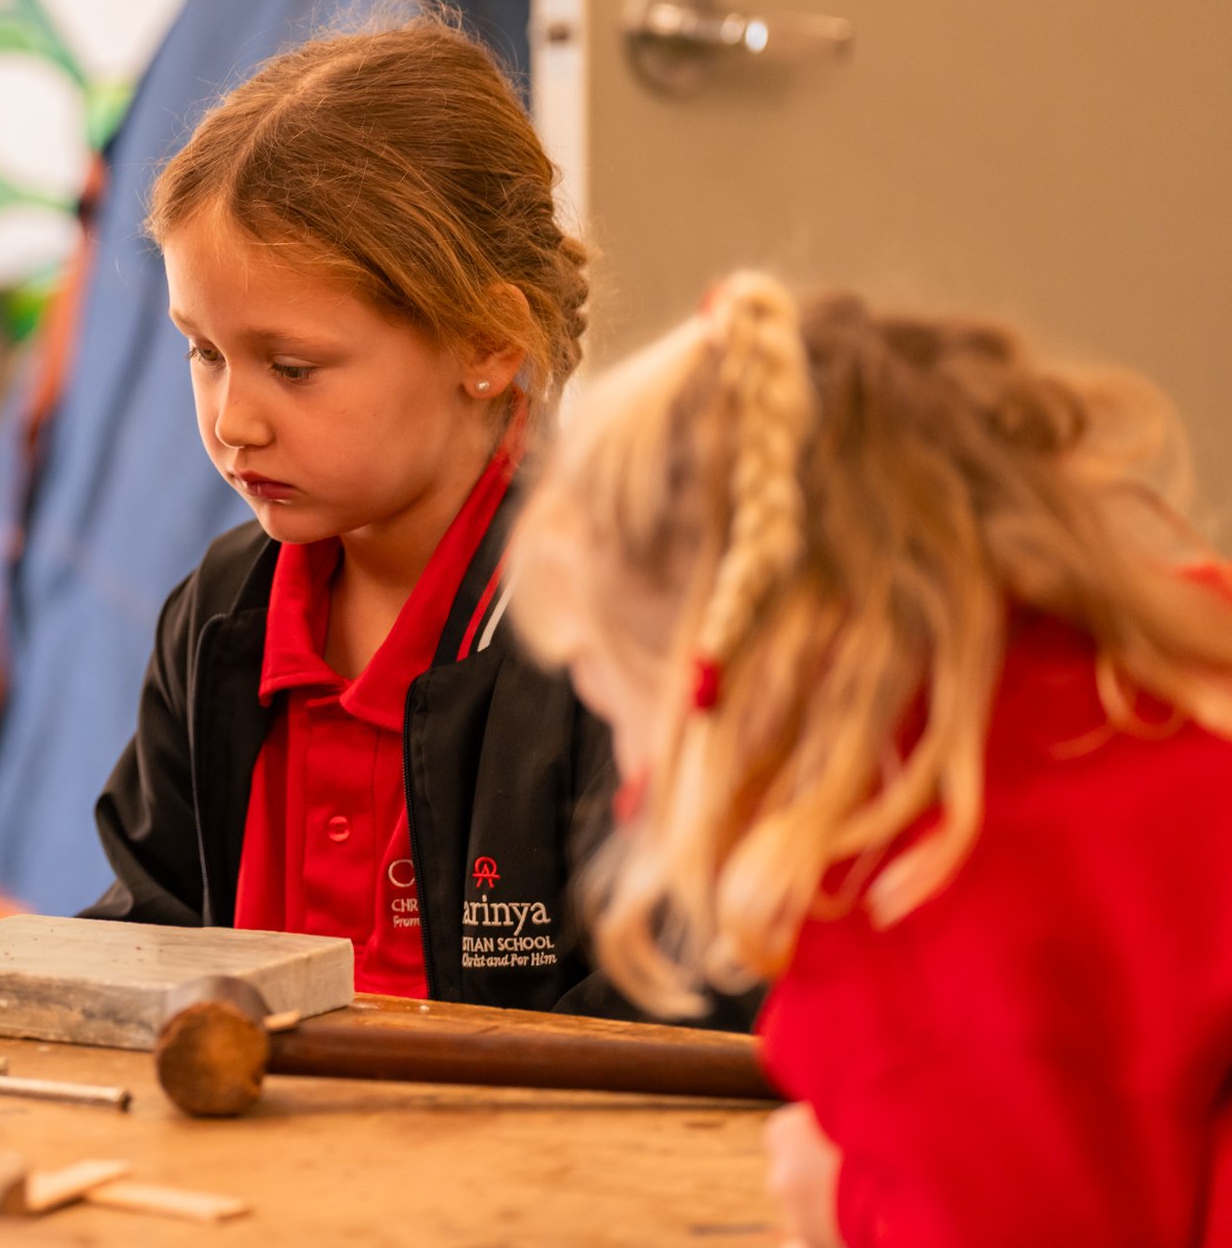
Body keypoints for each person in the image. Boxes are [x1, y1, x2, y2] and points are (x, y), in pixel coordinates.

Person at [510, 274, 1232, 1247]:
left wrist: (853, 1204)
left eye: (617, 710)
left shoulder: (906, 903)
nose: (631, 785)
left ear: (727, 684)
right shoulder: (1153, 668)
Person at [86, 13, 684, 1017]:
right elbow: (149, 931)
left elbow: (678, 1009)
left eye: (292, 366)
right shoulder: (218, 616)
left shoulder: (621, 625)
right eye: (204, 351)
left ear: (486, 343)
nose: (233, 419)